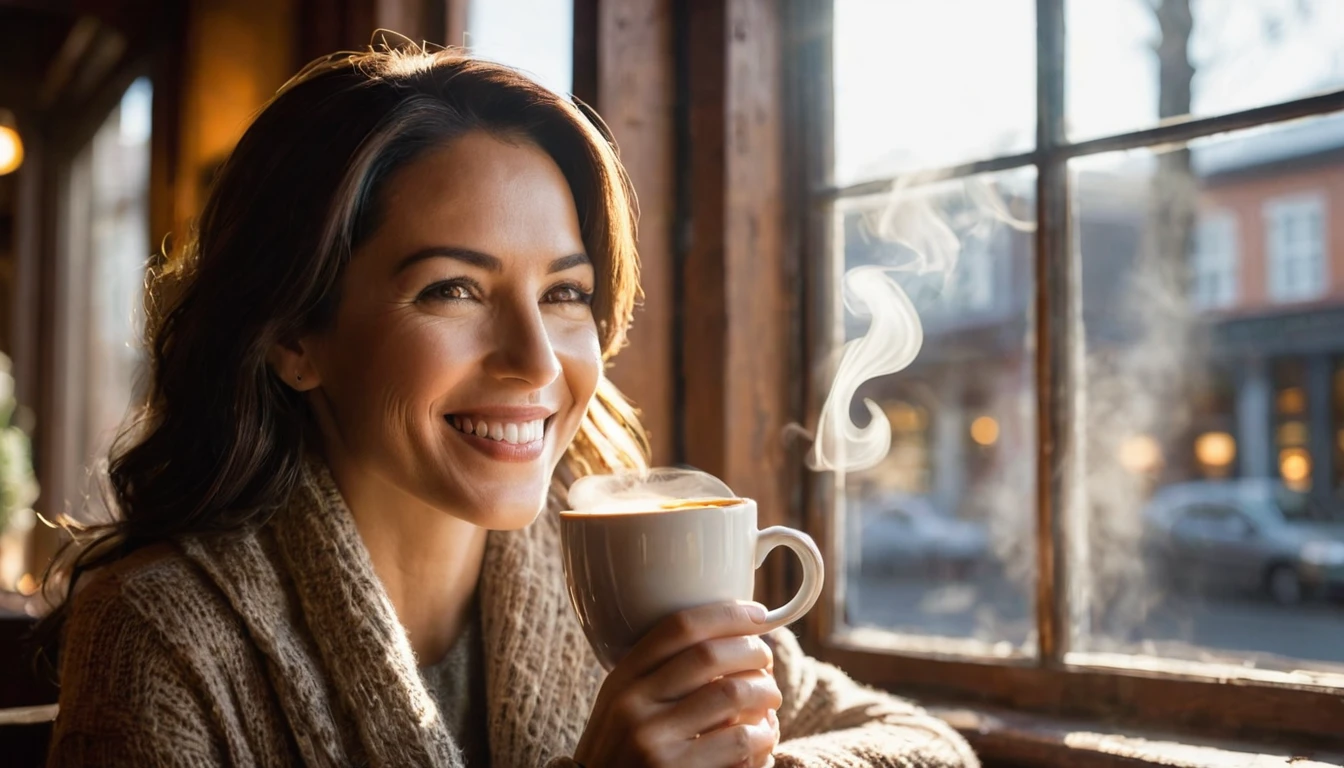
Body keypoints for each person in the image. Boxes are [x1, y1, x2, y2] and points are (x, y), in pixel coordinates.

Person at [40, 45, 980, 768]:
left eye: (566, 295)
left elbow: (929, 748)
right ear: (295, 337)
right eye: (454, 289)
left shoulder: (618, 583)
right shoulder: (160, 633)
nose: (538, 362)